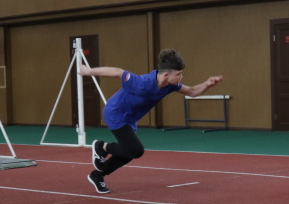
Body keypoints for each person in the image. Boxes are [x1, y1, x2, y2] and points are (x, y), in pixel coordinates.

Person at [80, 49, 223, 194]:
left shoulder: (169, 86)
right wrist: (88, 71)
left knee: (130, 153)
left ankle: (98, 175)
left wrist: (208, 84)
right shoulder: (143, 82)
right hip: (115, 113)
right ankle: (102, 147)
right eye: (178, 74)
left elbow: (192, 91)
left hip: (129, 119)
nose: (181, 77)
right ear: (166, 75)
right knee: (136, 150)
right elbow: (118, 71)